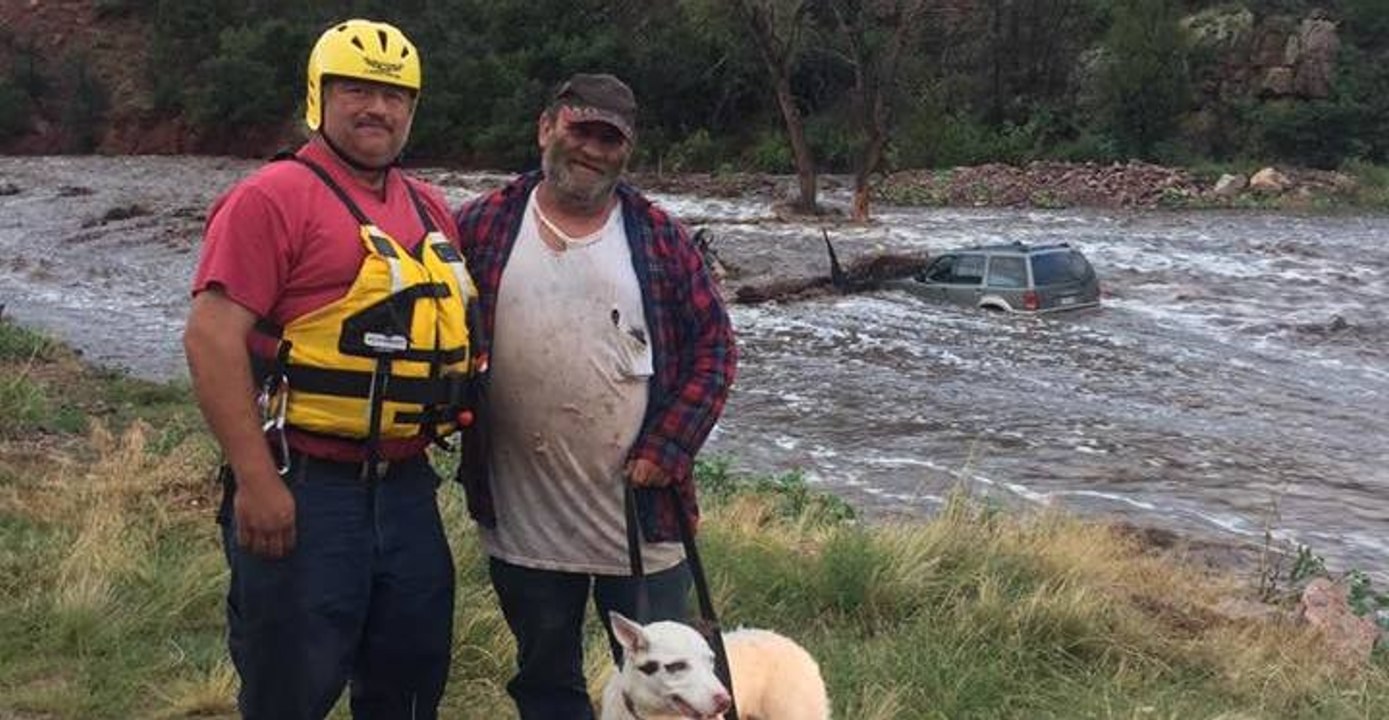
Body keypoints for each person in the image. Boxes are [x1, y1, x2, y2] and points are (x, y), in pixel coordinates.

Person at [183, 19, 481, 720]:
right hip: (306, 486)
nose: (377, 108)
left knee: (409, 684)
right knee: (291, 686)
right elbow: (210, 338)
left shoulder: (430, 206)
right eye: (357, 89)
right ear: (319, 96)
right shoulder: (269, 198)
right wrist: (257, 482)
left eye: (395, 95)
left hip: (407, 488)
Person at [453, 73, 737, 719]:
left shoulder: (662, 239)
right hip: (523, 519)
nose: (592, 149)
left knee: (664, 692)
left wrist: (668, 447)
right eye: (581, 130)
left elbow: (714, 351)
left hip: (643, 519)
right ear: (546, 127)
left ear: (626, 150)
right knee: (544, 680)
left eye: (609, 139)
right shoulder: (479, 226)